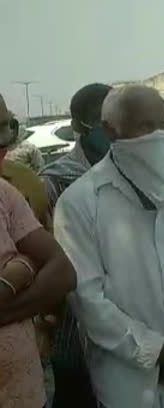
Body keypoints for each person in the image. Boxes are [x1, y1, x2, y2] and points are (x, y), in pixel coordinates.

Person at [54, 85, 164, 408]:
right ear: (111, 132)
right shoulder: (79, 203)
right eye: (146, 127)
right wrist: (156, 351)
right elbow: (87, 299)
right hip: (127, 385)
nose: (159, 136)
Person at [0, 92, 77, 408]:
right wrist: (22, 269)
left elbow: (62, 272)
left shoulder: (7, 192)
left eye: (7, 128)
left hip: (26, 393)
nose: (2, 140)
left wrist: (13, 284)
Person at [39, 82, 112, 408]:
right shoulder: (55, 181)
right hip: (74, 331)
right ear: (78, 126)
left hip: (136, 326)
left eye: (113, 119)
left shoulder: (142, 174)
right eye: (100, 120)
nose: (109, 128)